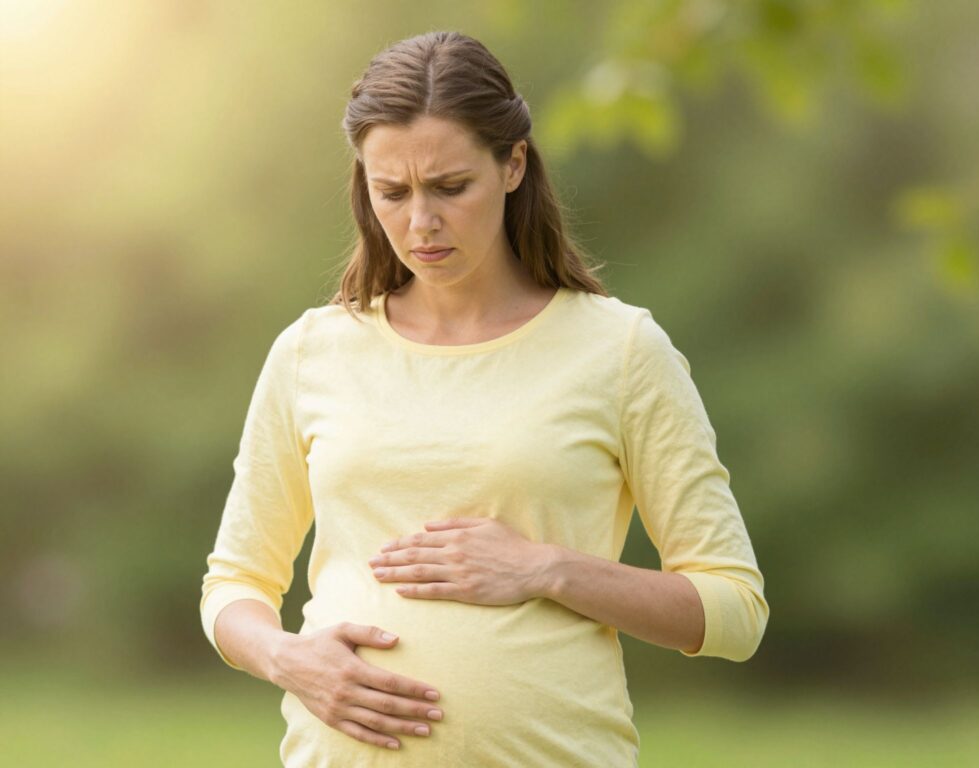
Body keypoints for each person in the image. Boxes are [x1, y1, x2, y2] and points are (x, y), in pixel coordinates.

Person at [199, 30, 768, 767]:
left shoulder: (620, 351)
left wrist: (546, 569)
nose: (420, 223)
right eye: (392, 193)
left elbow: (734, 611)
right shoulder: (312, 352)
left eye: (449, 186)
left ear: (513, 165)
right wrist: (286, 657)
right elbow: (234, 584)